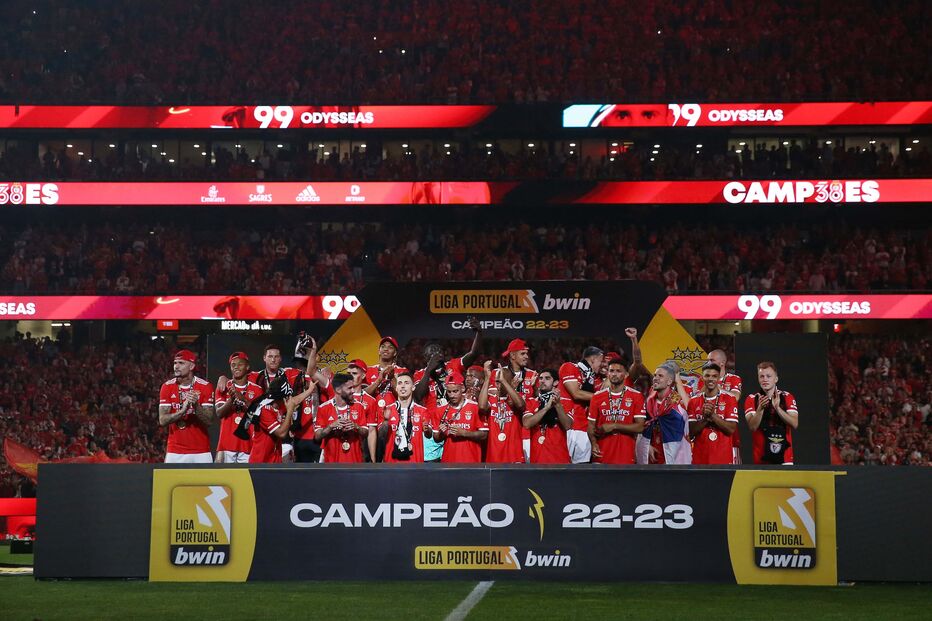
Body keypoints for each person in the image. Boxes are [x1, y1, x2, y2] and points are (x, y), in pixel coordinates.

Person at [248, 336, 313, 462]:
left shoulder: (290, 374)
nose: (273, 360)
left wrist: (322, 369)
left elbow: (310, 374)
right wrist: (222, 378)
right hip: (265, 428)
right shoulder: (254, 377)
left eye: (276, 356)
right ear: (264, 358)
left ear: (281, 358)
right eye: (270, 356)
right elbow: (236, 380)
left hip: (284, 428)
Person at [158, 349, 215, 463]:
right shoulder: (167, 387)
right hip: (175, 451)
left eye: (181, 363)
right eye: (175, 363)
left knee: (204, 481)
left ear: (192, 366)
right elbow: (162, 420)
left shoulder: (205, 386)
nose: (176, 366)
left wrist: (196, 406)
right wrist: (182, 411)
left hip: (201, 451)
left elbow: (209, 421)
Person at [588, 359, 646, 465]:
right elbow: (591, 426)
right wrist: (593, 443)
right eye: (611, 371)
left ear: (626, 374)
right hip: (602, 454)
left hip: (625, 455)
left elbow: (640, 427)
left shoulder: (636, 396)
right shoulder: (597, 397)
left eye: (618, 371)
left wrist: (614, 426)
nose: (614, 374)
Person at [247, 376, 315, 464]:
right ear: (282, 398)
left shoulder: (277, 405)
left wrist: (309, 390)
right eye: (287, 396)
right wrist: (290, 411)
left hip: (274, 460)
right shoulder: (265, 410)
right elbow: (281, 434)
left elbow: (294, 401)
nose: (289, 399)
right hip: (261, 462)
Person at [636, 362, 691, 465]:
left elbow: (690, 409)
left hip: (674, 453)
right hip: (652, 453)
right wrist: (647, 447)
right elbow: (641, 426)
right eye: (655, 375)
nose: (655, 378)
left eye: (660, 376)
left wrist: (677, 378)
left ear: (670, 381)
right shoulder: (649, 401)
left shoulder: (677, 401)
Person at [744, 362, 799, 465]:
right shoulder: (751, 399)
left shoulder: (787, 397)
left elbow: (794, 423)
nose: (765, 379)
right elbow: (752, 427)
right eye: (761, 376)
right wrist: (760, 409)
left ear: (776, 379)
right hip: (761, 458)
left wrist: (778, 408)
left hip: (785, 458)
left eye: (769, 376)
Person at [687, 362, 739, 465]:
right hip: (700, 458)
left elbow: (731, 429)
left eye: (714, 376)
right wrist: (706, 419)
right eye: (707, 375)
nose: (711, 379)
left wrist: (713, 415)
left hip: (723, 458)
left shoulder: (730, 399)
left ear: (719, 378)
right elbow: (691, 432)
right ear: (702, 377)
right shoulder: (693, 401)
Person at [214, 352, 262, 464]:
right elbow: (219, 413)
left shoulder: (257, 390)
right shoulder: (223, 387)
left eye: (240, 364)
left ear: (247, 366)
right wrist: (232, 399)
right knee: (224, 480)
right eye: (233, 365)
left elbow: (259, 415)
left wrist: (243, 399)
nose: (236, 367)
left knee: (245, 479)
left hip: (248, 443)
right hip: (227, 443)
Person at [559, 345, 604, 463]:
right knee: (563, 465)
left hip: (584, 428)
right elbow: (576, 393)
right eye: (601, 361)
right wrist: (604, 397)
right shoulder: (569, 367)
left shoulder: (593, 379)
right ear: (593, 359)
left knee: (581, 468)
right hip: (568, 427)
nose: (602, 364)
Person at [429, 373, 487, 463]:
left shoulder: (475, 407)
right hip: (448, 461)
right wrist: (442, 433)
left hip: (471, 460)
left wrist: (464, 433)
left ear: (463, 388)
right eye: (449, 392)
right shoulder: (440, 410)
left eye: (455, 391)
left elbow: (484, 435)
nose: (452, 395)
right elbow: (436, 438)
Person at [315, 373, 370, 463]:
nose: (353, 391)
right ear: (338, 390)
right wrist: (331, 426)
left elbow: (365, 433)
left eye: (353, 387)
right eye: (349, 388)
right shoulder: (324, 408)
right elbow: (317, 436)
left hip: (355, 461)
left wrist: (356, 427)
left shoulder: (358, 406)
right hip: (331, 463)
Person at [499, 338, 539, 461]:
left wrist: (535, 388)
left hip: (530, 433)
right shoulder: (499, 374)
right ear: (512, 355)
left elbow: (538, 401)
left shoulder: (533, 375)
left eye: (527, 353)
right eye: (523, 353)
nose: (527, 356)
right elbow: (498, 400)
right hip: (508, 431)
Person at [522, 369, 572, 464]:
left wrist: (557, 405)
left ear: (556, 382)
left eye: (547, 378)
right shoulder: (531, 402)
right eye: (540, 378)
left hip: (559, 458)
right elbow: (527, 424)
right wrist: (546, 408)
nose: (542, 380)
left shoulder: (565, 402)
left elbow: (567, 425)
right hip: (537, 458)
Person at [480, 360, 526, 463]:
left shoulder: (516, 398)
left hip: (514, 455)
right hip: (494, 455)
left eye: (501, 381)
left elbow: (521, 405)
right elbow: (482, 407)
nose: (499, 385)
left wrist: (504, 381)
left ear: (510, 382)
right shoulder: (491, 399)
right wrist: (487, 379)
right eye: (497, 382)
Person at [378, 371, 430, 463]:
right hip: (392, 463)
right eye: (400, 383)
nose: (402, 386)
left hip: (415, 463)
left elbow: (429, 435)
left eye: (406, 383)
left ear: (413, 387)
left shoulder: (422, 411)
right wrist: (386, 421)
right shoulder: (387, 409)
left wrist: (427, 430)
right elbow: (381, 436)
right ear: (396, 388)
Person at [706, 349, 743, 464]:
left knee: (730, 473)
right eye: (707, 360)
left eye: (711, 360)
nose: (708, 363)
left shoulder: (733, 379)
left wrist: (716, 386)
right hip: (708, 435)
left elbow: (735, 397)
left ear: (722, 363)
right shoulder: (704, 381)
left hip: (729, 436)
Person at [347, 359, 380, 463]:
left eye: (354, 373)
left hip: (360, 449)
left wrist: (373, 459)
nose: (350, 376)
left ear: (363, 376)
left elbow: (371, 431)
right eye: (348, 373)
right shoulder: (338, 396)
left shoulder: (370, 401)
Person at [365, 336, 409, 407]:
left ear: (395, 353)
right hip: (372, 413)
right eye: (383, 347)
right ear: (379, 351)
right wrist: (379, 380)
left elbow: (405, 397)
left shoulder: (402, 371)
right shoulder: (368, 370)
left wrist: (392, 378)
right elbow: (361, 396)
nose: (386, 349)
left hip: (394, 413)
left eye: (390, 347)